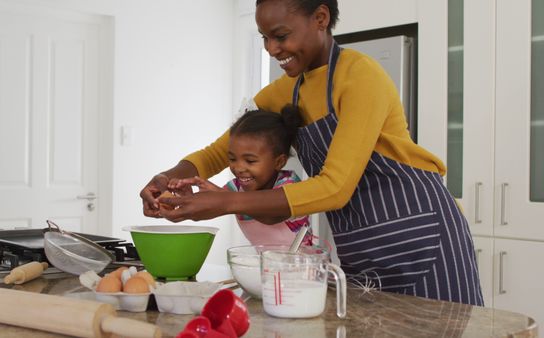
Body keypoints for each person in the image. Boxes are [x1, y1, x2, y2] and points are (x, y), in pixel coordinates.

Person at [140, 0, 483, 306]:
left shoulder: (361, 76)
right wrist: (168, 178)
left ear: (320, 17)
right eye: (264, 37)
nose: (271, 49)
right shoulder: (283, 92)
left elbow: (335, 186)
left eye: (280, 35)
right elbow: (217, 153)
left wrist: (226, 203)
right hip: (358, 246)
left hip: (421, 237)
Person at [167, 106, 313, 247]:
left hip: (304, 267)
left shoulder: (289, 184)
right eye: (232, 159)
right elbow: (212, 205)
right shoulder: (236, 188)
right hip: (269, 268)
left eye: (250, 161)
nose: (238, 168)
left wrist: (222, 198)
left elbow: (270, 216)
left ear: (279, 162)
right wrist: (185, 198)